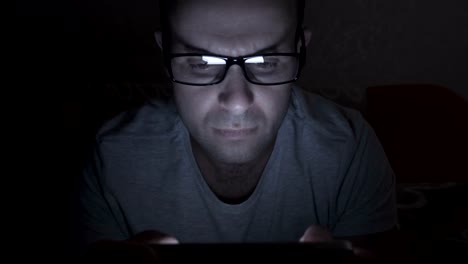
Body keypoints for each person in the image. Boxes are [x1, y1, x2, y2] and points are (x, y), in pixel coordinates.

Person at [75, 0, 399, 260]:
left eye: (265, 61)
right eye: (201, 62)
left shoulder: (349, 150)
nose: (237, 102)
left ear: (300, 49)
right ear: (165, 55)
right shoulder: (112, 160)